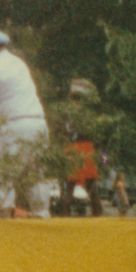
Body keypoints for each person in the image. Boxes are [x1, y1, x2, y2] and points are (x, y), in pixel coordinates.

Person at [0, 28, 51, 218]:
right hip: (37, 125)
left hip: (12, 127)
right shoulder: (18, 64)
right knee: (37, 178)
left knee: (2, 180)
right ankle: (44, 221)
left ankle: (4, 225)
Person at [57, 78, 102, 217]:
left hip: (71, 148)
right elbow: (96, 134)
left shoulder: (65, 111)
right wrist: (102, 157)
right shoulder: (87, 112)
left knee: (69, 186)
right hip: (86, 147)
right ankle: (98, 217)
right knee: (91, 185)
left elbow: (62, 132)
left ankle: (64, 217)